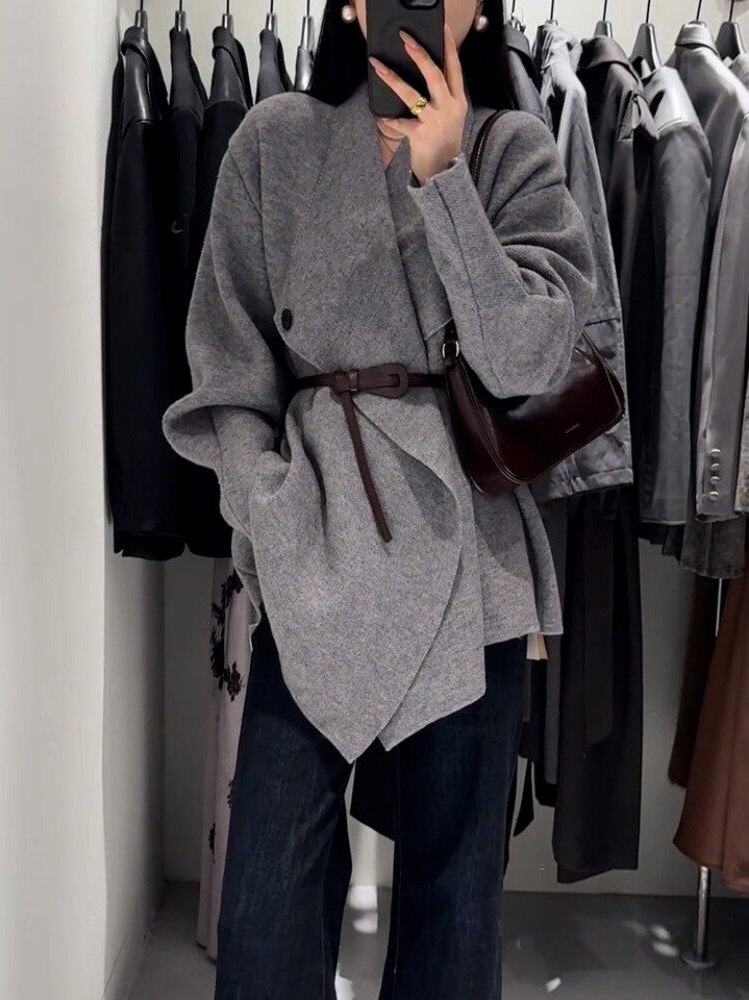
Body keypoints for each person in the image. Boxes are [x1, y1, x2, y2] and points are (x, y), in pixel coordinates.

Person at [162, 1, 595, 996]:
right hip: (317, 546)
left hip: (470, 565)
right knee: (266, 900)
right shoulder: (273, 140)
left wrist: (447, 179)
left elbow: (528, 360)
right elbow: (227, 365)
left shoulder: (514, 147)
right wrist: (269, 512)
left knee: (454, 907)